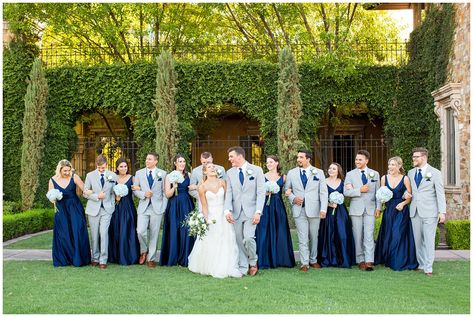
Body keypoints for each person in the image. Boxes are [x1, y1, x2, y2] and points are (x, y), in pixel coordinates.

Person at [188, 163, 242, 278]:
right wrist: (206, 220)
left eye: (214, 167)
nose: (213, 168)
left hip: (224, 215)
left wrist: (228, 212)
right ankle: (211, 265)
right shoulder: (202, 187)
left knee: (227, 240)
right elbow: (204, 206)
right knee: (212, 240)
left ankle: (227, 265)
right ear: (205, 172)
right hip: (212, 217)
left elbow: (228, 199)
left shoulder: (223, 182)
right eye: (209, 167)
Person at [224, 146, 265, 276]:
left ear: (240, 156)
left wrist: (258, 211)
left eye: (231, 156)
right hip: (235, 212)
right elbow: (229, 193)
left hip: (251, 211)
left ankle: (253, 262)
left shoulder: (257, 170)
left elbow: (261, 192)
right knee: (237, 238)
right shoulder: (229, 173)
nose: (229, 159)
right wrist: (227, 210)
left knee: (248, 238)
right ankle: (243, 264)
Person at [285, 149, 328, 272]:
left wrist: (323, 209)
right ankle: (304, 263)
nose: (298, 159)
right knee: (302, 237)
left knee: (314, 236)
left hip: (314, 210)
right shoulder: (292, 173)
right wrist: (293, 199)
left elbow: (323, 193)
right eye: (298, 157)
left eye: (301, 157)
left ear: (308, 159)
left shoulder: (318, 172)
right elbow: (287, 190)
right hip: (299, 210)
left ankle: (313, 260)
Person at [406, 147, 446, 277]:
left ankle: (428, 267)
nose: (413, 159)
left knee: (428, 240)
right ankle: (421, 264)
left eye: (415, 157)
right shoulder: (411, 172)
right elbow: (410, 191)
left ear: (423, 157)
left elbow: (440, 194)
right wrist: (406, 194)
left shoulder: (435, 172)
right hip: (415, 211)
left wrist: (442, 212)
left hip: (430, 211)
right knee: (418, 241)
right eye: (413, 157)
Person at [374, 156, 418, 271]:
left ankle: (398, 261)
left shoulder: (405, 179)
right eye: (389, 164)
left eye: (393, 164)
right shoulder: (384, 178)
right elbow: (381, 193)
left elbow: (409, 196)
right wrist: (381, 202)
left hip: (401, 210)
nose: (390, 167)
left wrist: (403, 204)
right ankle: (388, 259)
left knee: (397, 234)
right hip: (389, 210)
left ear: (399, 166)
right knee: (388, 234)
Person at [48, 160, 91, 267]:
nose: (67, 172)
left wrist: (89, 192)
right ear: (60, 170)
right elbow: (50, 195)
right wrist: (53, 198)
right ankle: (64, 259)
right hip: (61, 209)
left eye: (69, 170)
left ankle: (78, 259)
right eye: (65, 171)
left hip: (75, 208)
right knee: (63, 233)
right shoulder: (53, 180)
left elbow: (84, 189)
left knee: (77, 231)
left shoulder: (74, 177)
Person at [255, 155, 295, 269]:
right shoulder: (262, 176)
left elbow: (288, 190)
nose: (268, 164)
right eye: (267, 162)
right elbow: (257, 191)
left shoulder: (284, 177)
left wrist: (289, 191)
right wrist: (265, 193)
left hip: (278, 207)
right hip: (265, 206)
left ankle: (281, 259)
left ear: (277, 163)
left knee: (280, 230)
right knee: (264, 231)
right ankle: (264, 259)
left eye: (271, 162)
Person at [344, 150, 381, 271]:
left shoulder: (375, 174)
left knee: (369, 235)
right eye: (356, 159)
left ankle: (369, 260)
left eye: (360, 159)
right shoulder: (350, 174)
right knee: (358, 235)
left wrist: (378, 207)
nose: (357, 161)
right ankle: (360, 260)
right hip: (356, 209)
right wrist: (359, 190)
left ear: (367, 160)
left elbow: (378, 193)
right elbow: (346, 192)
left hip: (370, 209)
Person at [317, 163, 356, 268]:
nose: (331, 170)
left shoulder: (343, 183)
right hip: (328, 211)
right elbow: (319, 196)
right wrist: (329, 204)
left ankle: (342, 259)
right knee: (328, 234)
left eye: (334, 169)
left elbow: (348, 194)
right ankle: (328, 259)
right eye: (329, 168)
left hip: (341, 212)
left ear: (338, 171)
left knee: (342, 234)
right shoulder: (323, 182)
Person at [160, 154, 196, 267]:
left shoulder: (189, 175)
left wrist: (194, 187)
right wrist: (174, 187)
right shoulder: (169, 176)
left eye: (184, 161)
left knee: (186, 229)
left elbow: (192, 188)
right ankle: (173, 257)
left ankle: (186, 257)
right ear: (175, 163)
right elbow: (167, 194)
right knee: (174, 229)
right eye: (180, 161)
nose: (182, 163)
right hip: (174, 204)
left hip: (186, 203)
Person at [133, 152, 168, 268]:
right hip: (143, 206)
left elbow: (165, 192)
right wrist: (143, 194)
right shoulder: (139, 173)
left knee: (154, 233)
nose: (147, 161)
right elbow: (135, 189)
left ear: (156, 161)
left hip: (157, 207)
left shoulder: (162, 174)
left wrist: (163, 207)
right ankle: (144, 250)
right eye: (146, 159)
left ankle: (151, 258)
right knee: (140, 231)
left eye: (150, 159)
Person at [83, 155, 117, 269]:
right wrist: (97, 196)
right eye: (99, 168)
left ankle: (103, 260)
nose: (101, 169)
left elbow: (114, 191)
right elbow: (85, 192)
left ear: (106, 165)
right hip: (93, 209)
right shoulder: (90, 175)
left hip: (107, 209)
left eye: (103, 167)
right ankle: (95, 258)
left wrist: (113, 203)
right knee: (94, 235)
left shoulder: (113, 175)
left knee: (103, 233)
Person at [108, 157, 140, 265]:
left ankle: (129, 256)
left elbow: (136, 190)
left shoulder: (132, 178)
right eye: (121, 166)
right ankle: (115, 256)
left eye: (125, 166)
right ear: (117, 167)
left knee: (128, 230)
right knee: (116, 229)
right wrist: (116, 197)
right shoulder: (113, 177)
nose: (123, 168)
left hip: (128, 207)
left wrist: (139, 189)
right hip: (116, 207)